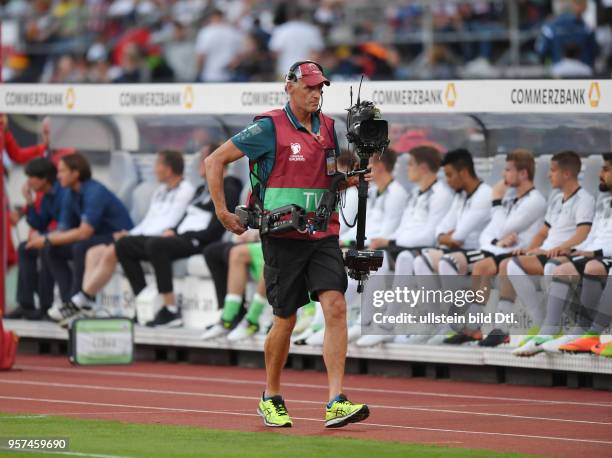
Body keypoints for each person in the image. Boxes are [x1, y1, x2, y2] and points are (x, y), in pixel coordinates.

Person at [205, 60, 370, 428]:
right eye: (309, 87)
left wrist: (352, 179)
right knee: (286, 319)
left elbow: (326, 179)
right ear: (289, 87)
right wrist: (222, 212)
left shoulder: (328, 126)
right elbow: (213, 161)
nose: (316, 94)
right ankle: (271, 395)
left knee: (336, 305)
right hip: (282, 236)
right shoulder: (267, 127)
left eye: (320, 88)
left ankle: (336, 400)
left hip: (323, 233)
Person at [115, 149, 242, 327]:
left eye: (203, 160)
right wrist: (173, 230)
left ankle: (171, 310)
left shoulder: (228, 186)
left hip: (199, 240)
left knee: (156, 245)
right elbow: (186, 216)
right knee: (123, 245)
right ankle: (143, 303)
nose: (199, 164)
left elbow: (215, 227)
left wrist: (187, 235)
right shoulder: (201, 188)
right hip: (182, 236)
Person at [62, 150, 195, 321]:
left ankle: (84, 298)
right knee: (94, 251)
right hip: (146, 236)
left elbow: (170, 221)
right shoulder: (160, 190)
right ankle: (97, 300)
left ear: (168, 169)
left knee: (118, 247)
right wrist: (130, 233)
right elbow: (150, 220)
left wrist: (132, 237)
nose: (154, 170)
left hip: (163, 238)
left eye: (157, 165)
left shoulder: (186, 190)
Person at [437, 149, 547, 346]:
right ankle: (473, 328)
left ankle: (501, 329)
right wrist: (497, 241)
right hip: (499, 250)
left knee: (500, 265)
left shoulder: (535, 200)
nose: (504, 175)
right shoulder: (511, 197)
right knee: (481, 267)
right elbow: (488, 234)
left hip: (519, 253)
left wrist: (496, 200)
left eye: (508, 170)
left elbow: (504, 227)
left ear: (523, 173)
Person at [503, 151, 595, 356]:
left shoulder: (584, 199)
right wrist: (530, 249)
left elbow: (583, 233)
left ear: (567, 173)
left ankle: (553, 328)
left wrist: (561, 247)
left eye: (553, 171)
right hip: (547, 252)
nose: (548, 175)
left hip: (565, 254)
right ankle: (541, 322)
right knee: (513, 264)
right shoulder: (555, 198)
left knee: (553, 265)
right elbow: (543, 231)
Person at [519, 153, 612, 355]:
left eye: (606, 169)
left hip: (604, 256)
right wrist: (575, 250)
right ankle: (552, 329)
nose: (600, 173)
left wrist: (592, 252)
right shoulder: (604, 202)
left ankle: (590, 333)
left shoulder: (585, 199)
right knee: (561, 268)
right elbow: (593, 236)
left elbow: (598, 244)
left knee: (592, 267)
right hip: (598, 253)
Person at [28, 153, 133, 326]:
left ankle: (79, 303)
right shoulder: (70, 193)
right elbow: (63, 229)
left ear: (75, 173)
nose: (58, 175)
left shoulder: (94, 191)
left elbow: (84, 232)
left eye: (62, 171)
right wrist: (46, 239)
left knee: (79, 247)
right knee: (52, 249)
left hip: (116, 235)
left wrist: (47, 239)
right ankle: (68, 301)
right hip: (95, 237)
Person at [8, 158, 76, 320]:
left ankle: (46, 306)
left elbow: (66, 224)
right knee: (25, 248)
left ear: (44, 179)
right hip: (55, 237)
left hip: (70, 238)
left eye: (31, 177)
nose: (28, 182)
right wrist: (30, 202)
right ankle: (26, 303)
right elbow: (39, 223)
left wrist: (46, 236)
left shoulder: (64, 192)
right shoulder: (46, 196)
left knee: (46, 248)